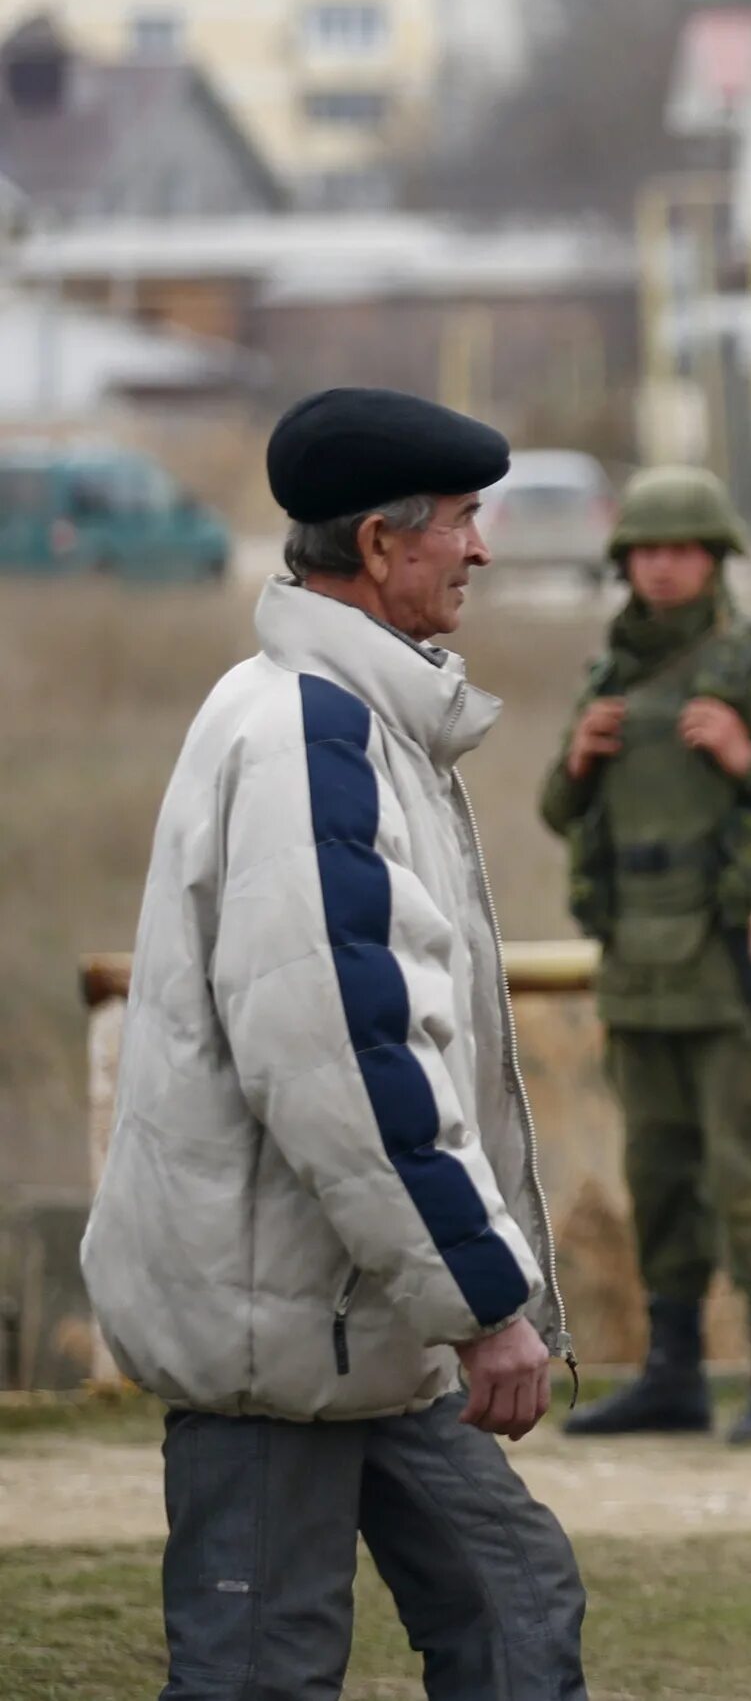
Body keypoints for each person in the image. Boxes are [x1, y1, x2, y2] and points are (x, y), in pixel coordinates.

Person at [83, 386, 587, 1699]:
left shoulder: (350, 714)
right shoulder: (311, 734)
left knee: (513, 1598)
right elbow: (351, 1058)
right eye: (464, 521)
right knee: (263, 1666)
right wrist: (484, 1300)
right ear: (379, 543)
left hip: (362, 1317)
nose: (483, 547)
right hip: (285, 1332)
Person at [541, 465, 751, 1445]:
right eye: (644, 551)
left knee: (749, 1173)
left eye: (681, 550)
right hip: (641, 963)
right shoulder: (610, 672)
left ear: (717, 559)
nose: (660, 568)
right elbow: (557, 812)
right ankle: (673, 1372)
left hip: (738, 963)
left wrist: (750, 758)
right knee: (659, 1176)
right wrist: (577, 762)